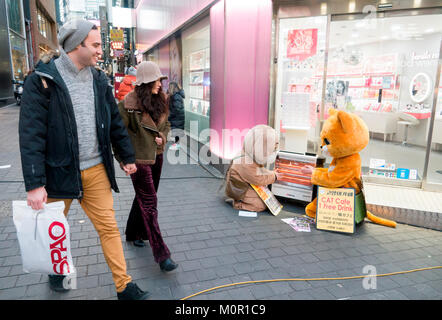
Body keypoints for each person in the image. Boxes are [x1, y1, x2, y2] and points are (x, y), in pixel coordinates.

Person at [18, 19, 150, 300]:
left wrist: (126, 156)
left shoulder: (99, 79)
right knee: (56, 231)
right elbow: (31, 135)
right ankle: (57, 269)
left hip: (95, 170)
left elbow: (114, 121)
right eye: (95, 45)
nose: (100, 50)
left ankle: (124, 286)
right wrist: (34, 184)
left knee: (109, 228)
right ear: (77, 46)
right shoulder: (41, 81)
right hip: (57, 173)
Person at [116, 61, 178, 272]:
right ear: (145, 82)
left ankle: (133, 233)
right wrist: (124, 160)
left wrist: (162, 136)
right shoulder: (128, 105)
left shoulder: (162, 101)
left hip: (157, 156)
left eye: (161, 80)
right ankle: (162, 254)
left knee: (143, 198)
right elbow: (116, 135)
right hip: (139, 160)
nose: (160, 84)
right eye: (157, 80)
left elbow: (167, 124)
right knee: (150, 204)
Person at [225, 125, 282, 212]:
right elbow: (257, 178)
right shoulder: (246, 161)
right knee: (260, 205)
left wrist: (271, 173)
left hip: (241, 183)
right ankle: (238, 204)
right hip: (240, 188)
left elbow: (258, 170)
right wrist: (274, 176)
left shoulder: (247, 154)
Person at [167, 81, 185, 150]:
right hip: (177, 118)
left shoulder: (176, 96)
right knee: (176, 133)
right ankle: (176, 144)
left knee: (177, 132)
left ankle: (177, 145)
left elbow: (177, 109)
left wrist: (169, 115)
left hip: (177, 118)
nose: (168, 88)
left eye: (169, 87)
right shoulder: (175, 95)